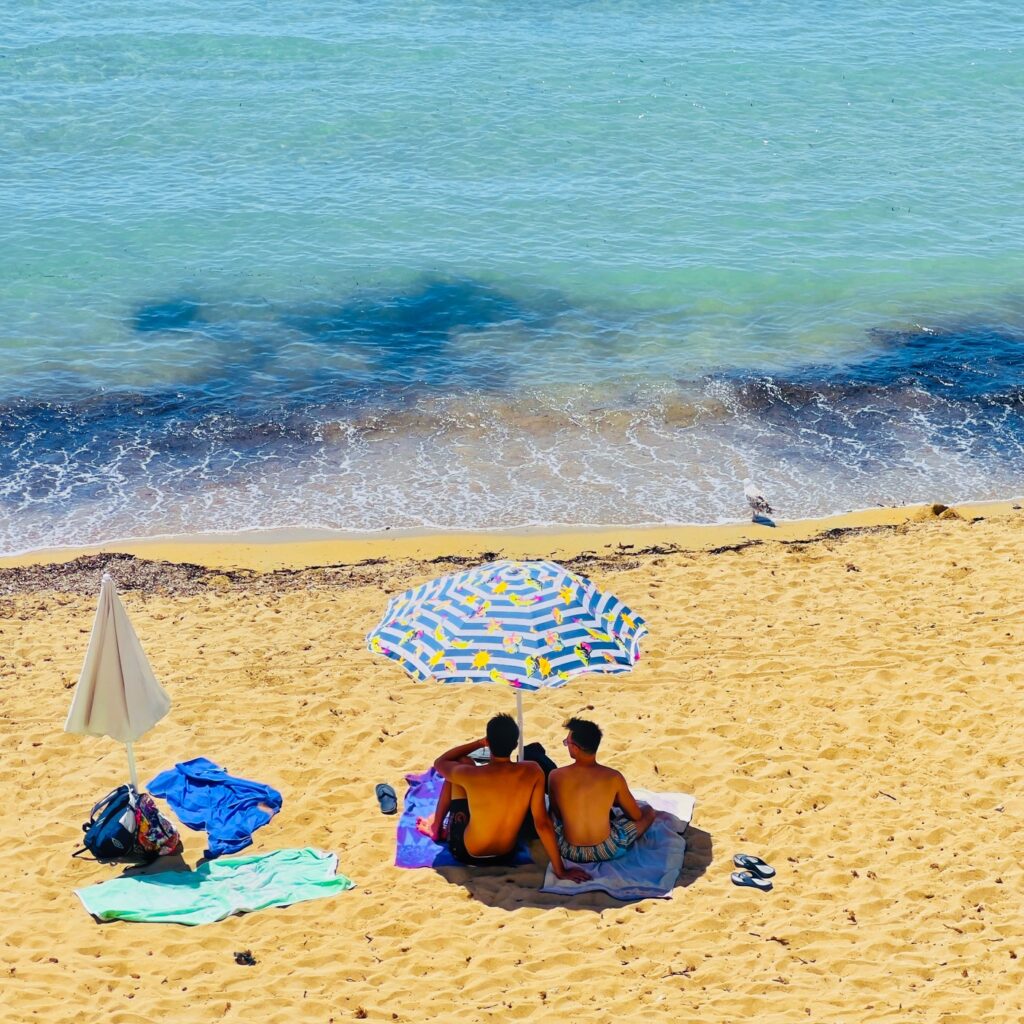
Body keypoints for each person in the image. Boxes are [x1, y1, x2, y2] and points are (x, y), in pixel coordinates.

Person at [420, 713, 590, 883]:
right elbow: (542, 823)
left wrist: (479, 742)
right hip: (506, 854)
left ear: (489, 743)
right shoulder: (533, 771)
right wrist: (560, 870)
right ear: (515, 744)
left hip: (467, 853)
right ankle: (439, 827)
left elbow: (441, 761)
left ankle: (435, 828)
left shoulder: (471, 774)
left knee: (460, 765)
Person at [547, 717, 656, 863]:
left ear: (575, 748)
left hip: (569, 850)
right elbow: (636, 815)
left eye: (567, 742)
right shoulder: (613, 777)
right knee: (648, 811)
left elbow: (558, 814)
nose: (567, 745)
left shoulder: (556, 776)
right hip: (607, 849)